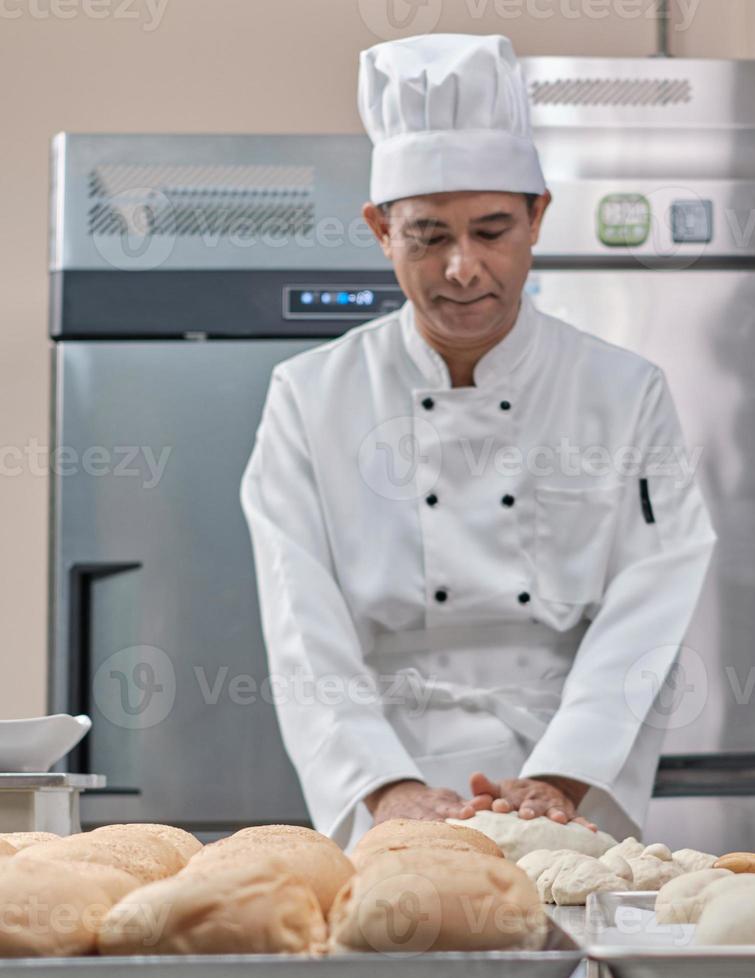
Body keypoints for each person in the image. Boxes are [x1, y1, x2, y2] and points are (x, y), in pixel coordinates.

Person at [240, 33, 716, 848]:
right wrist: (386, 787)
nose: (463, 269)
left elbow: (654, 596)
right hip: (390, 779)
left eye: (492, 230)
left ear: (537, 218)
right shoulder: (311, 397)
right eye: (428, 236)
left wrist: (561, 778)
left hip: (569, 784)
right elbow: (301, 625)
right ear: (380, 230)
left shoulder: (623, 391)